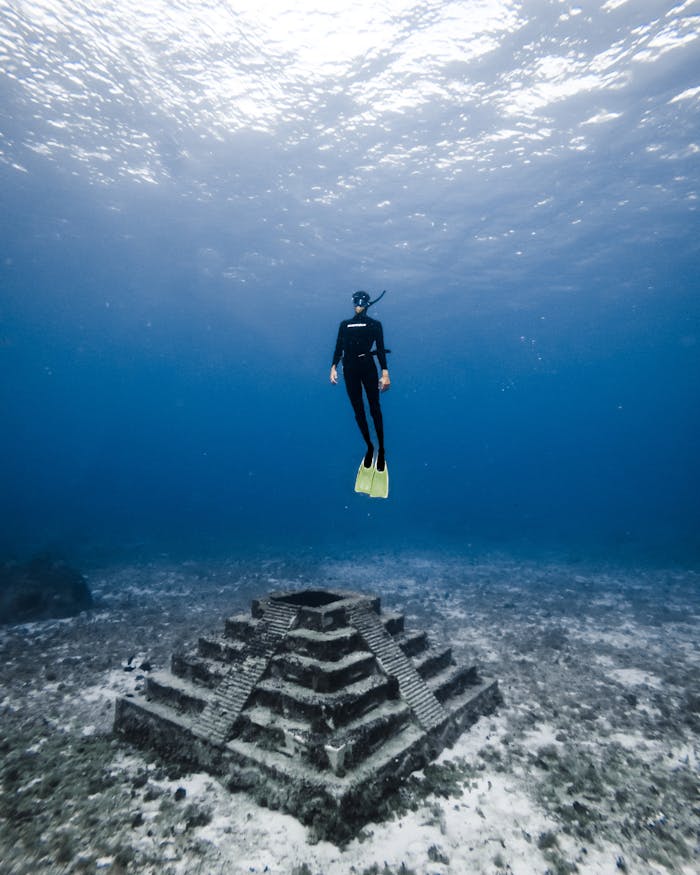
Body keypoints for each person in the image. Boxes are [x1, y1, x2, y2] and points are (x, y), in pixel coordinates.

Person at [330, 291, 390, 484]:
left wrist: (385, 373)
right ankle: (369, 447)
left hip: (367, 367)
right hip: (349, 369)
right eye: (356, 300)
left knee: (374, 408)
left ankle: (381, 450)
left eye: (362, 301)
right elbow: (339, 348)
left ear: (368, 304)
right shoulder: (344, 325)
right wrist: (333, 367)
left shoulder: (375, 325)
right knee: (358, 410)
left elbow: (380, 349)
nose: (358, 304)